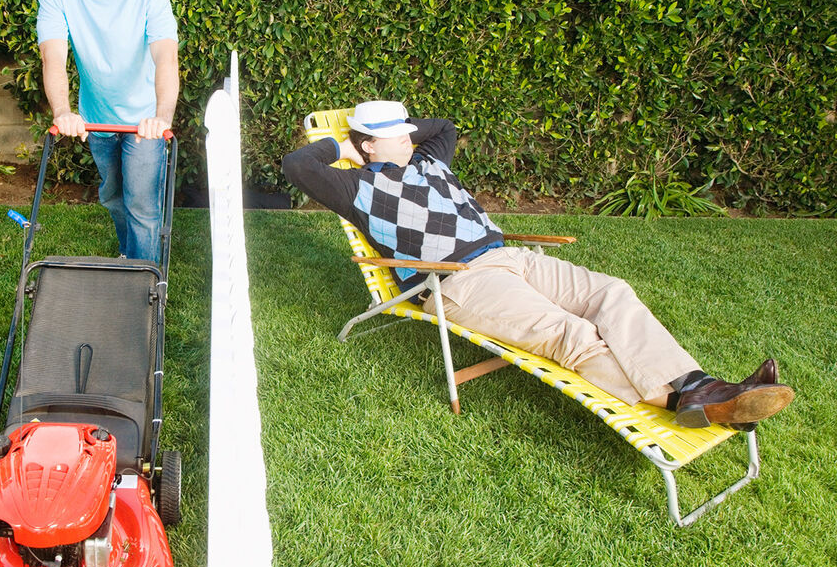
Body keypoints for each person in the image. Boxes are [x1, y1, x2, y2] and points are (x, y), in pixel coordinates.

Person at [283, 100, 794, 428]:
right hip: (458, 282)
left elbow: (445, 123)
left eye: (406, 130)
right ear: (369, 144)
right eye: (395, 134)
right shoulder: (356, 187)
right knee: (571, 333)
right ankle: (691, 403)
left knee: (611, 292)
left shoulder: (428, 159)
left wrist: (395, 131)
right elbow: (298, 165)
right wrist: (349, 145)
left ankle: (697, 385)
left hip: (511, 256)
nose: (409, 137)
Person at [36, 0, 179, 262]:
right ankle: (129, 256)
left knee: (143, 206)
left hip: (145, 122)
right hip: (97, 118)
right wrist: (63, 112)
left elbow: (166, 57)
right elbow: (53, 57)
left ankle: (143, 285)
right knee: (113, 197)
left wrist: (161, 117)